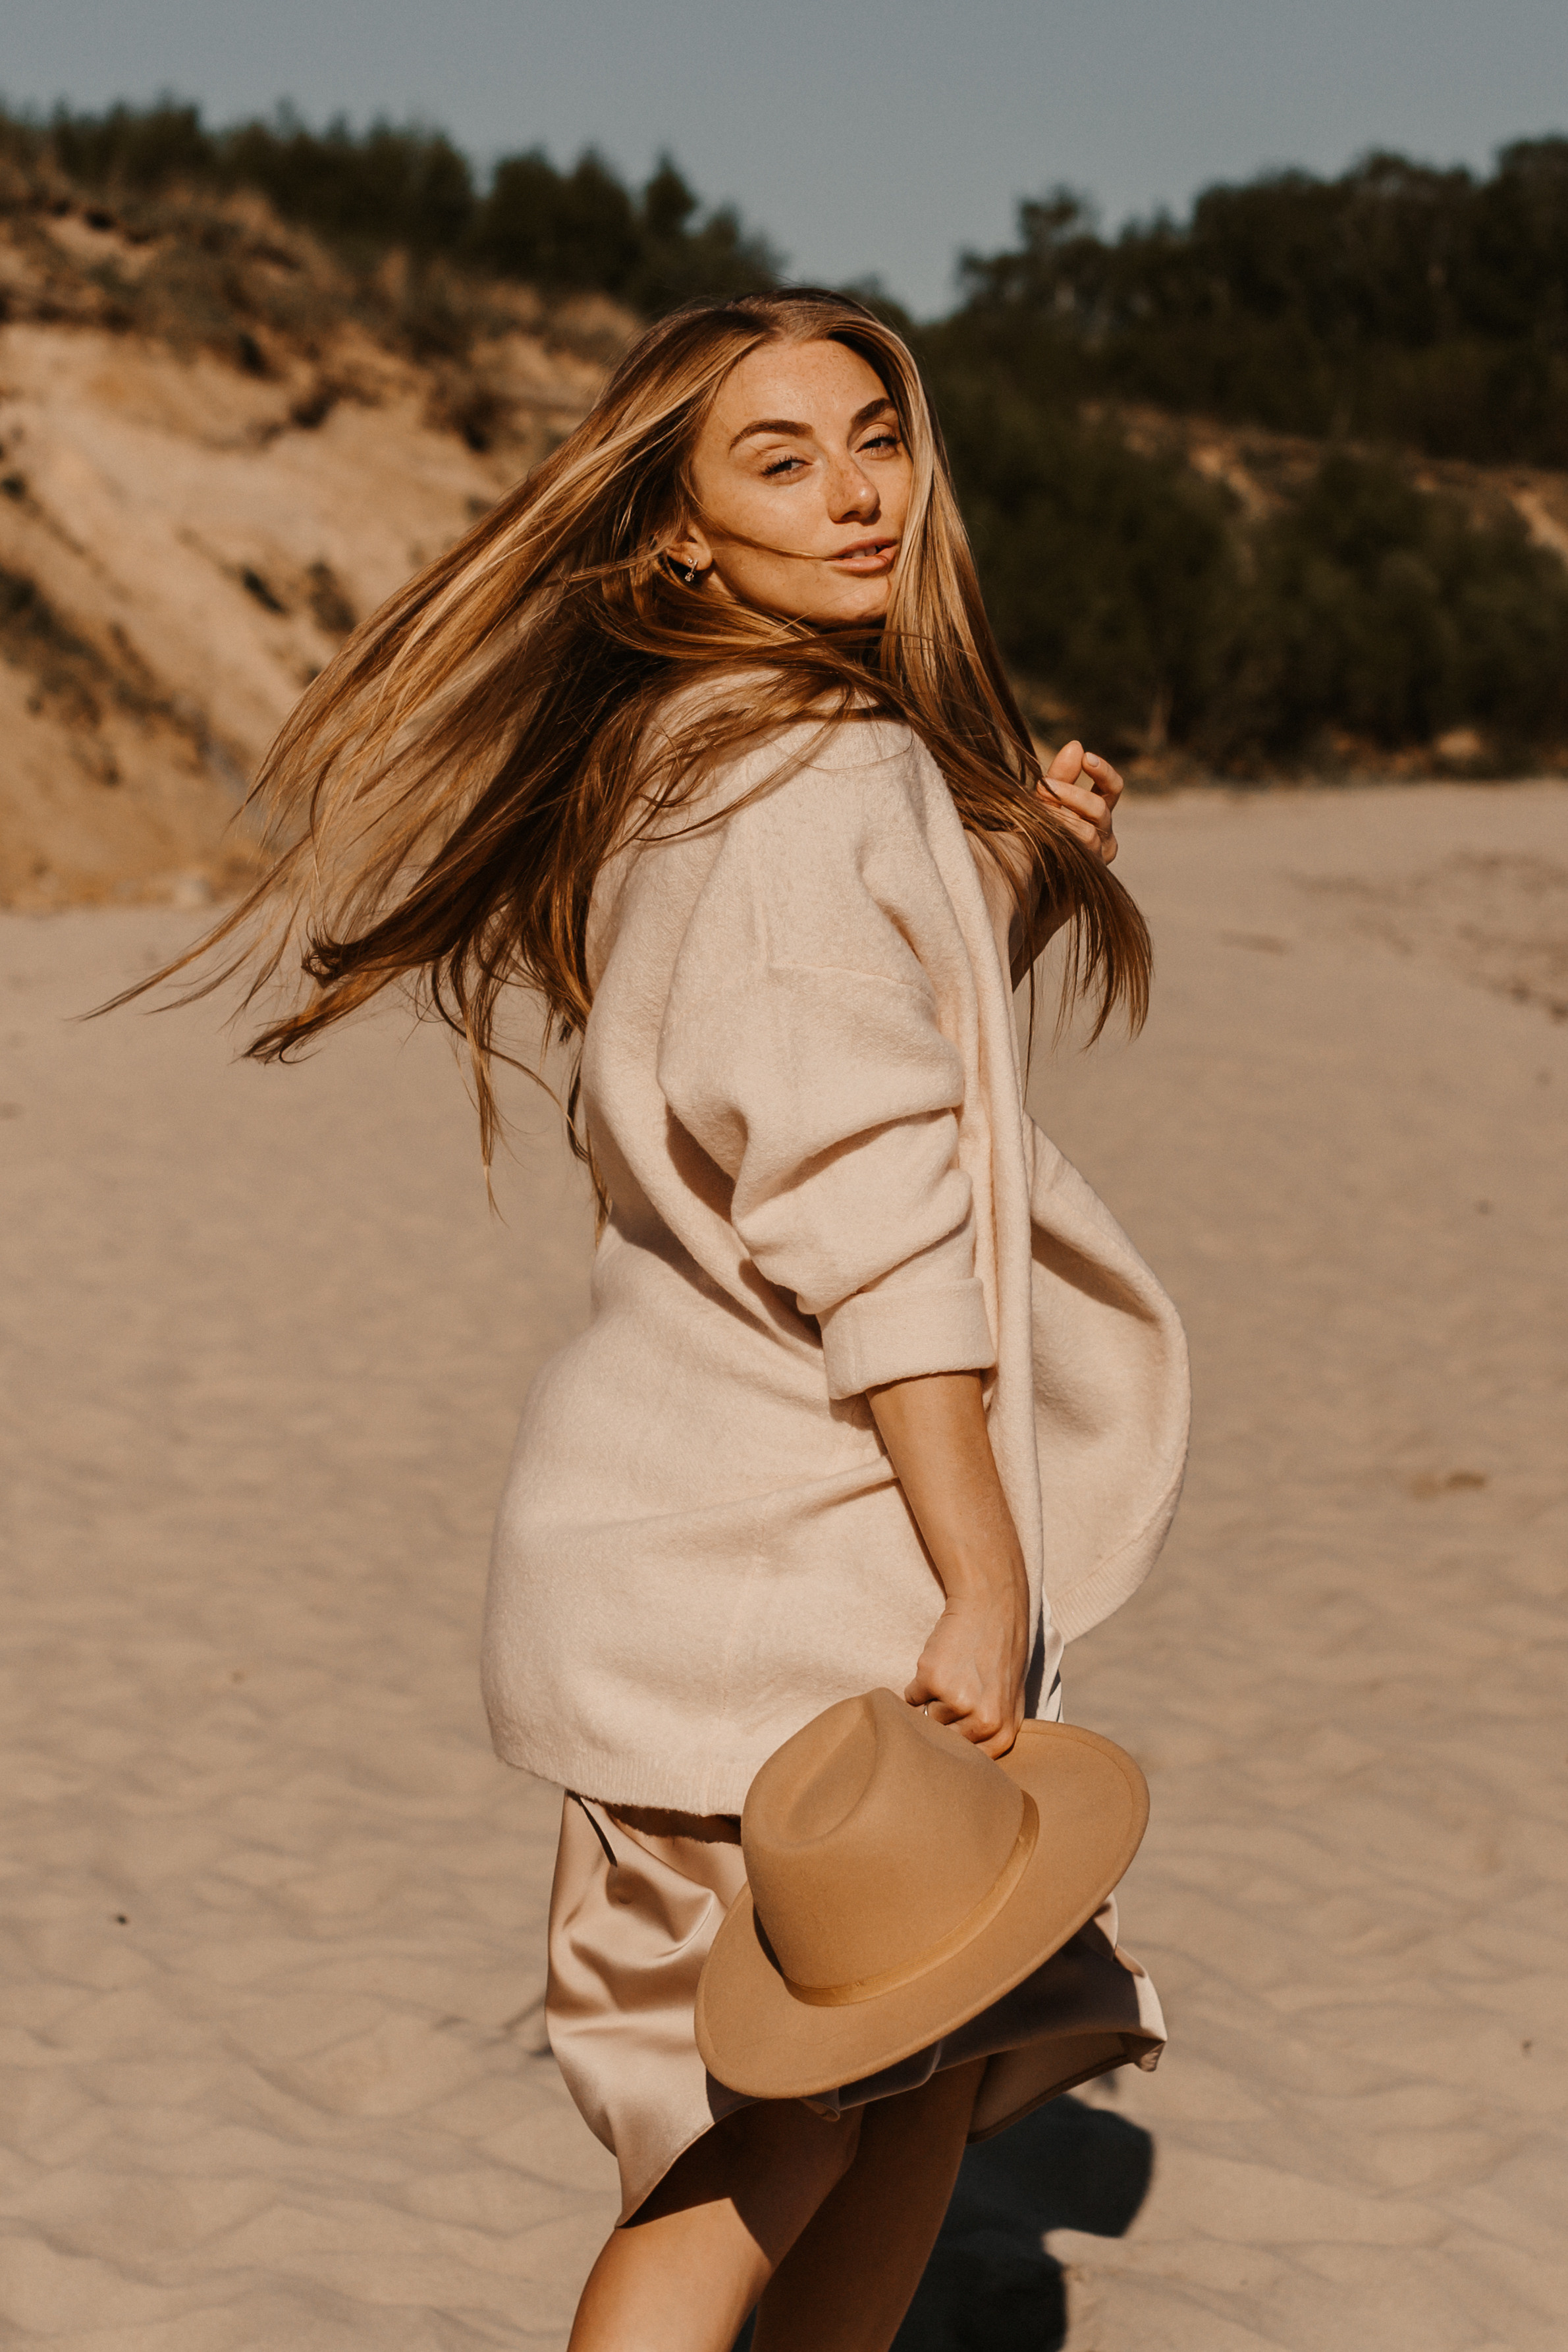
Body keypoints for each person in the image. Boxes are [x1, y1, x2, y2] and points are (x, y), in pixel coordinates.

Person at [128, 289, 1189, 2350]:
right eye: (779, 460)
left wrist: (1009, 880)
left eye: (873, 435)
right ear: (680, 531)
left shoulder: (708, 749)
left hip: (722, 1536)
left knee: (911, 2080)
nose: (855, 492)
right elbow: (863, 1205)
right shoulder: (806, 767)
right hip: (774, 1564)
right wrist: (983, 1572)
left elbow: (820, 1042)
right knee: (771, 2135)